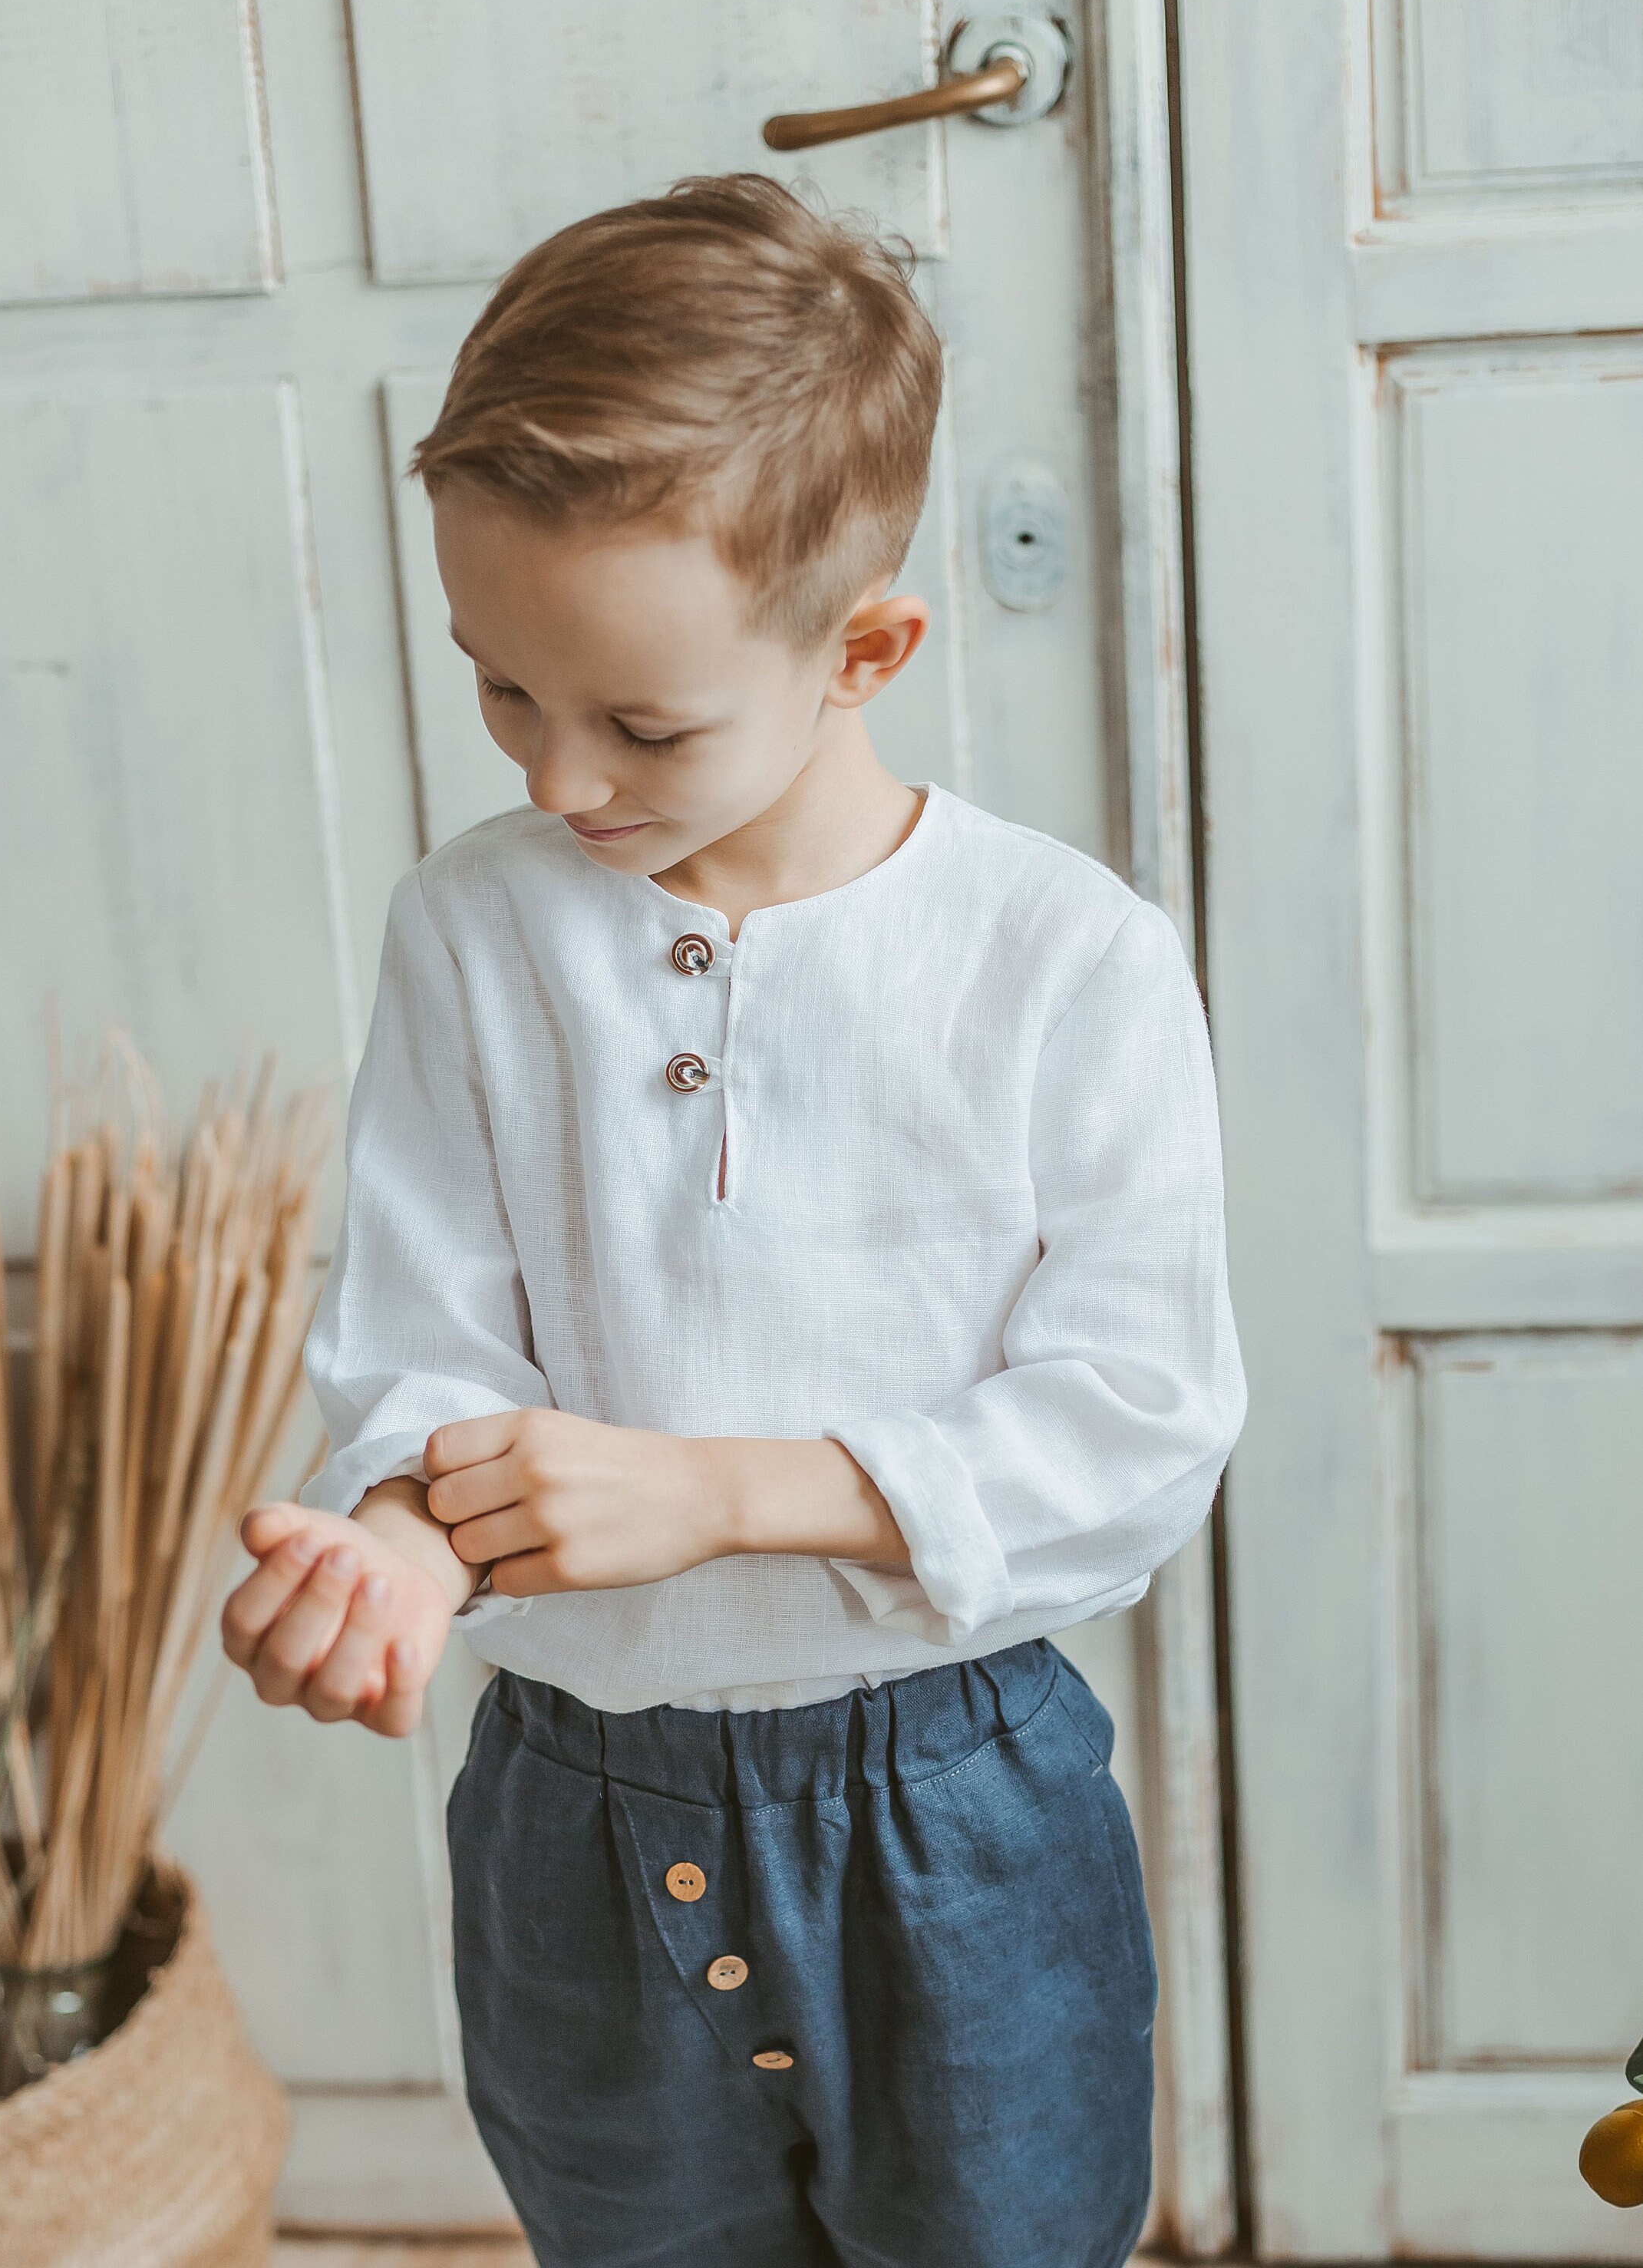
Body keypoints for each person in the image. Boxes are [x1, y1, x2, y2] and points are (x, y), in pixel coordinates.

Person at [219, 173, 1245, 2268]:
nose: (562, 777)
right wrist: (405, 1541)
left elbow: (1138, 1417)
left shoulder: (1063, 956)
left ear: (864, 644)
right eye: (501, 689)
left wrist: (720, 1495)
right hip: (575, 1818)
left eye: (644, 722)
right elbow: (418, 1332)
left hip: (955, 1808)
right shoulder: (474, 927)